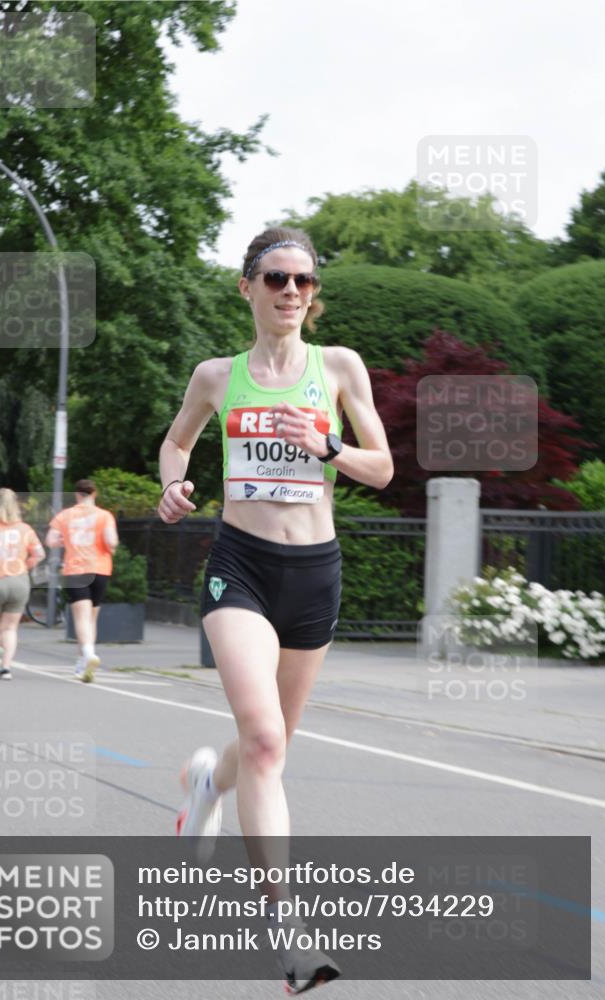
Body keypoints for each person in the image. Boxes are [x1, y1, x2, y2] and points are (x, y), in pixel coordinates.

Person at [158, 227, 393, 993]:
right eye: (275, 278)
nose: (290, 291)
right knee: (263, 740)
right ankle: (288, 935)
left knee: (268, 747)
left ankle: (206, 782)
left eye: (302, 281)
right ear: (247, 288)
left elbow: (382, 469)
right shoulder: (216, 376)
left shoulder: (338, 368)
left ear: (313, 294)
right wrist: (172, 485)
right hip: (240, 567)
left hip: (313, 573)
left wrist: (326, 445)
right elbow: (177, 442)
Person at [45, 479, 119, 682]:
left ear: (77, 495)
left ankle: (88, 654)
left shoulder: (65, 516)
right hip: (101, 569)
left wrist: (65, 540)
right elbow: (112, 542)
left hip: (76, 569)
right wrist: (108, 548)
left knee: (80, 618)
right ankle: (82, 662)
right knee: (91, 618)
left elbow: (51, 541)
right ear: (94, 494)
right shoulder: (104, 516)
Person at [0, 488, 46, 680]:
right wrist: (25, 565)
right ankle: (6, 669)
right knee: (10, 628)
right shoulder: (25, 529)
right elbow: (40, 554)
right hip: (19, 581)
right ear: (16, 504)